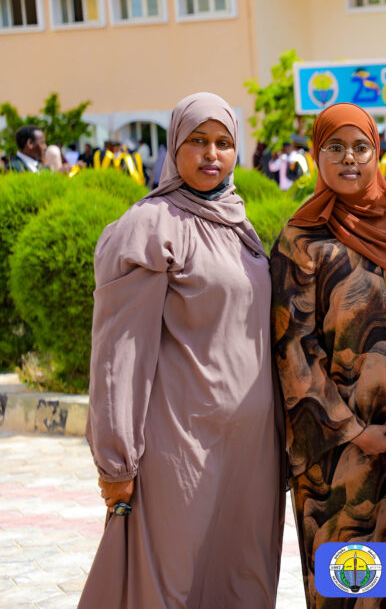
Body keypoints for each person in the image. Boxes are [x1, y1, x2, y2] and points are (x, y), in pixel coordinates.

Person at [80, 92, 286, 608]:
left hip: (248, 451)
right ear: (174, 147)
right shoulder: (150, 226)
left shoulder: (236, 222)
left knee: (241, 577)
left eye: (223, 142)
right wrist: (116, 461)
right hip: (181, 445)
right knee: (172, 582)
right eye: (197, 141)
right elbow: (119, 354)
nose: (211, 154)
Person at [271, 102, 386, 608]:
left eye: (361, 147)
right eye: (335, 147)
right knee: (352, 588)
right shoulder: (302, 241)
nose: (350, 158)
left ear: (377, 154)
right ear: (316, 155)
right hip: (338, 459)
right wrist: (352, 431)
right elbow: (293, 351)